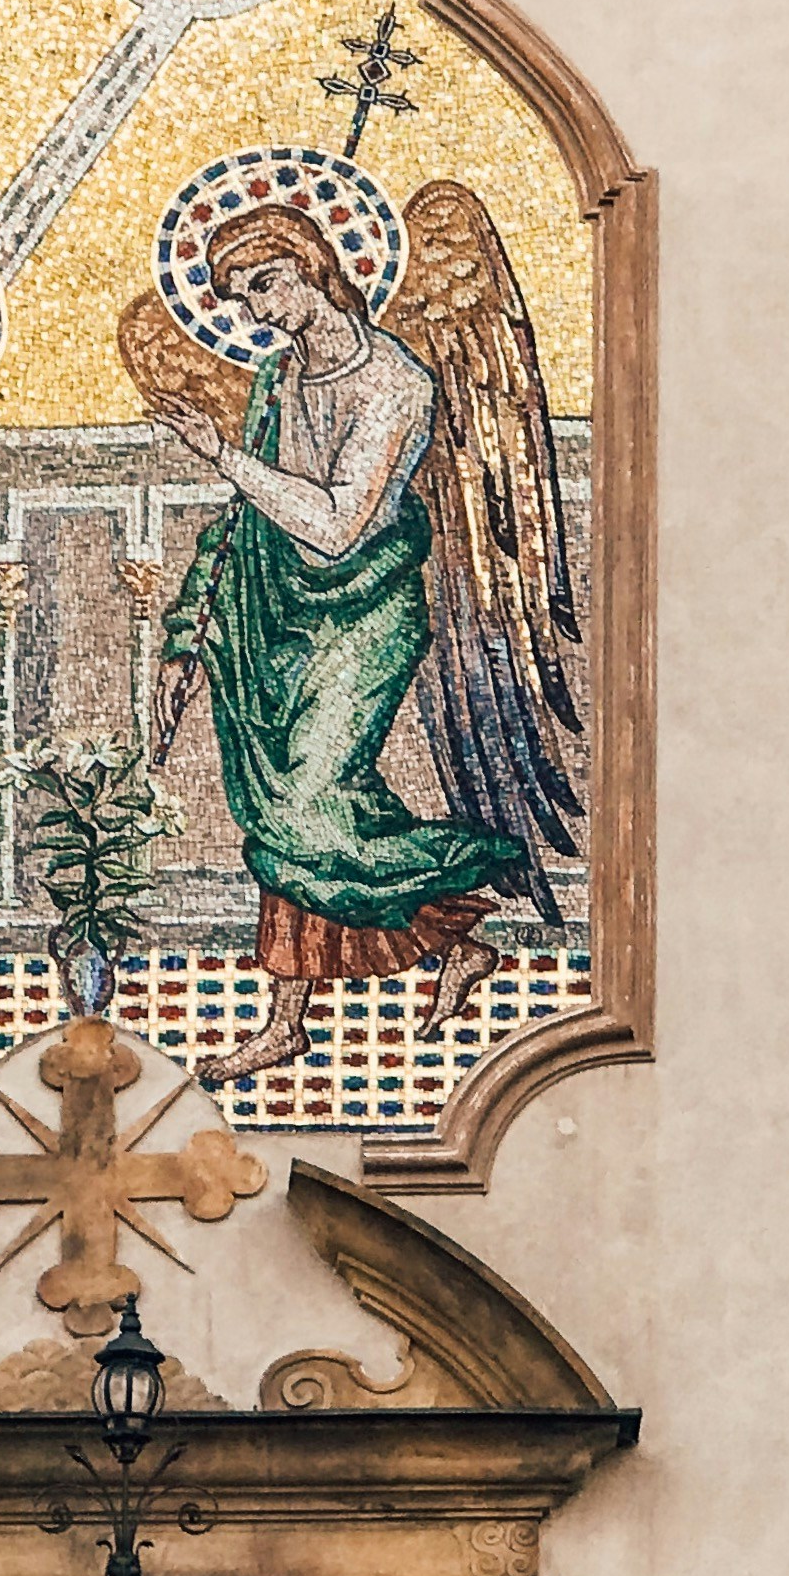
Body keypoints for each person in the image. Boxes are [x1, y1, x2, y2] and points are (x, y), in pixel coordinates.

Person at [146, 206, 529, 1082]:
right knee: (288, 814)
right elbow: (243, 522)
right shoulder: (278, 377)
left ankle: (461, 901)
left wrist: (222, 453)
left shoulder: (396, 383)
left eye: (267, 284)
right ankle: (309, 1012)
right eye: (243, 299)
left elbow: (335, 528)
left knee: (308, 805)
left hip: (363, 617)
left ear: (313, 268)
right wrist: (187, 637)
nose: (260, 311)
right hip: (274, 616)